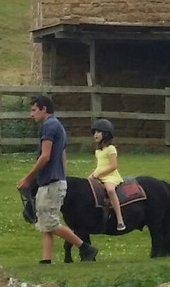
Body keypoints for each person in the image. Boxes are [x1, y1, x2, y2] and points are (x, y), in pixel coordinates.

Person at [17, 95, 85, 263]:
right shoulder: (58, 126)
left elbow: (45, 156)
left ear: (44, 109)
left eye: (34, 110)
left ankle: (85, 247)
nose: (31, 114)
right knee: (44, 222)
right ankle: (46, 260)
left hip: (51, 182)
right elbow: (62, 155)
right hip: (54, 180)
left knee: (51, 222)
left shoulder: (48, 126)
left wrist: (28, 178)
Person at [89, 117, 126, 232]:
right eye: (94, 132)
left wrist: (98, 173)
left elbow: (113, 166)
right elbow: (99, 166)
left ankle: (120, 220)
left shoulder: (111, 149)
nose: (96, 134)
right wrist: (93, 174)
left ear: (106, 134)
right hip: (99, 175)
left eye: (99, 132)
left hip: (111, 176)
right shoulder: (98, 151)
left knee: (110, 190)